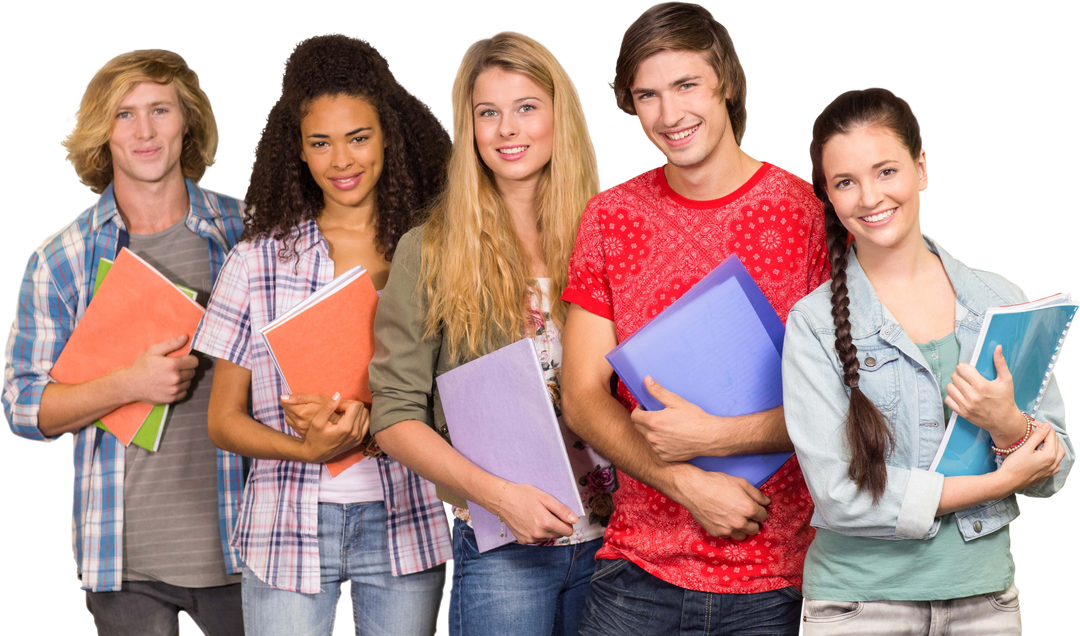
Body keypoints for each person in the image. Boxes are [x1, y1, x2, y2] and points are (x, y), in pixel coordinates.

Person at [558, 2, 831, 634]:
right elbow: (580, 395)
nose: (668, 114)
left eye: (686, 86)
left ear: (727, 84)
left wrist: (715, 439)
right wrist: (687, 483)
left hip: (779, 577)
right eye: (647, 95)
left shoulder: (808, 212)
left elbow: (846, 403)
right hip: (635, 574)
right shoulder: (610, 216)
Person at [781, 85, 1075, 634]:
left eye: (886, 171)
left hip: (985, 602)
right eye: (846, 182)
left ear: (923, 169)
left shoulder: (1000, 298)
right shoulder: (813, 323)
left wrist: (1007, 423)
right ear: (828, 195)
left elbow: (1054, 472)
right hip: (859, 607)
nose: (869, 198)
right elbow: (840, 495)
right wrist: (996, 482)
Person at [190, 31, 453, 635]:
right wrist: (306, 449)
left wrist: (375, 415)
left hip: (407, 522)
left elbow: (459, 391)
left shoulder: (436, 255)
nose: (343, 161)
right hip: (285, 527)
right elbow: (223, 421)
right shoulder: (254, 263)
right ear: (299, 152)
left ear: (388, 135)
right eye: (322, 143)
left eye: (358, 138)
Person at [366, 27, 607, 636]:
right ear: (468, 129)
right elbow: (393, 419)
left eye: (526, 108)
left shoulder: (610, 234)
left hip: (621, 546)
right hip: (504, 550)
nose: (507, 130)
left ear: (560, 118)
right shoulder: (431, 251)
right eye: (488, 113)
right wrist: (499, 497)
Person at [2, 46, 246, 634]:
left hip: (243, 546)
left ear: (186, 120)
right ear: (100, 133)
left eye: (160, 110)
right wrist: (127, 384)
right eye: (124, 114)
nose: (144, 131)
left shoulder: (245, 231)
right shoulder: (60, 259)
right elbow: (22, 408)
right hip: (124, 561)